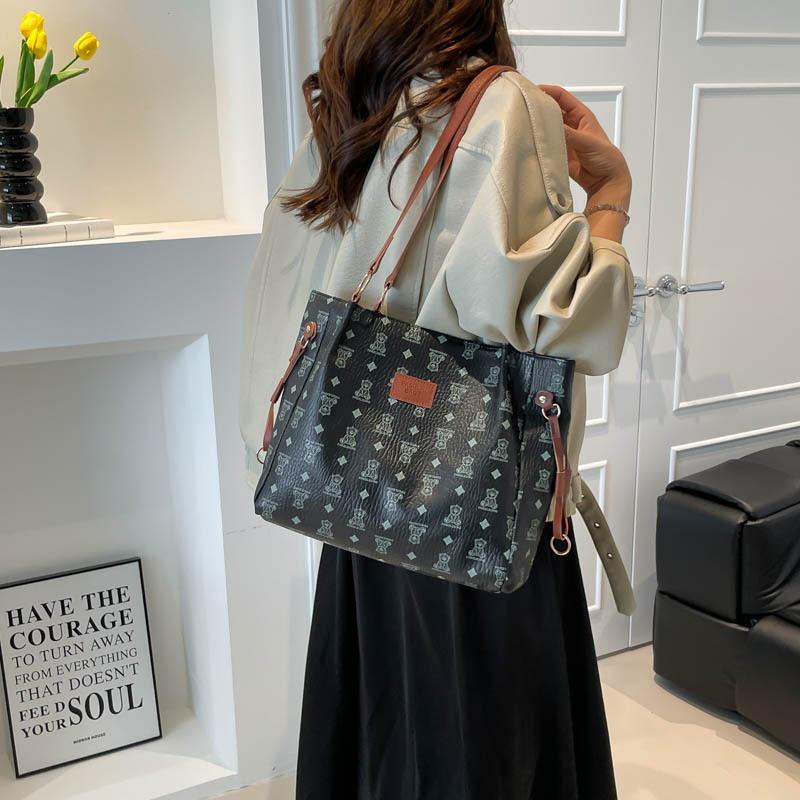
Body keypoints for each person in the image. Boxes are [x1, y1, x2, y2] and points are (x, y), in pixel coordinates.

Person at [239, 1, 634, 797]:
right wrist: (610, 192)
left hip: (360, 500)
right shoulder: (503, 103)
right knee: (484, 751)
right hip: (475, 505)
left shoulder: (349, 105)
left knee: (384, 740)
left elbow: (284, 287)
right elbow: (572, 322)